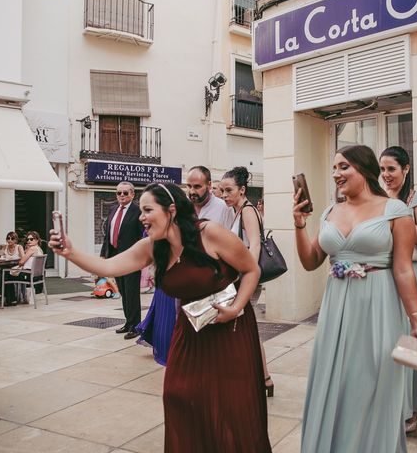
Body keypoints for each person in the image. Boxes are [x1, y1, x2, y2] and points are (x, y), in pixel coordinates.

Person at [48, 183, 271, 452]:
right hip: (190, 332)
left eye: (147, 210)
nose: (141, 217)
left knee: (229, 408)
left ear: (171, 210)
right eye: (141, 210)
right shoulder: (154, 247)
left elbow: (251, 270)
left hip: (230, 332)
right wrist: (70, 252)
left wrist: (236, 308)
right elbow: (109, 266)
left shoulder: (210, 233)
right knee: (178, 395)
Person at [295, 144, 417, 453]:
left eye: (343, 167)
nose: (336, 174)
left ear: (364, 170)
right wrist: (300, 225)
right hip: (336, 309)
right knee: (336, 383)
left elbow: (403, 270)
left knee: (373, 383)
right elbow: (310, 260)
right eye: (334, 168)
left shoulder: (395, 210)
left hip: (378, 305)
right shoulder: (330, 211)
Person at [135, 166, 235, 365]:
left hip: (208, 278)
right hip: (178, 273)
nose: (192, 191)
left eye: (197, 186)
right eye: (189, 186)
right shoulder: (182, 206)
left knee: (209, 340)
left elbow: (231, 245)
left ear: (209, 185)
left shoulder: (223, 209)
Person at [379, 145, 417, 433]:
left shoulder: (416, 197)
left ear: (406, 169)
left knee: (409, 339)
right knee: (387, 340)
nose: (386, 175)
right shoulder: (378, 198)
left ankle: (413, 408)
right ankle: (389, 404)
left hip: (408, 272)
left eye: (391, 169)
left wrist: (399, 213)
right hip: (383, 273)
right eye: (382, 169)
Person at [221, 166, 274, 397]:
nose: (224, 195)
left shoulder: (247, 211)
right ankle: (263, 378)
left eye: (228, 190)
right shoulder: (238, 210)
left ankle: (262, 378)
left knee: (245, 330)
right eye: (222, 191)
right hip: (240, 278)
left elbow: (254, 245)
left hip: (245, 279)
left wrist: (246, 277)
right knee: (246, 329)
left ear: (242, 190)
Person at [101, 181, 144, 340]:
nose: (122, 196)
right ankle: (128, 322)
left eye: (125, 193)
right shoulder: (113, 209)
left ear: (132, 194)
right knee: (123, 292)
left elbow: (142, 236)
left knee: (132, 293)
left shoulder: (138, 210)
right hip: (115, 257)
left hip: (132, 259)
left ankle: (135, 326)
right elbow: (108, 234)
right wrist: (103, 254)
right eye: (119, 193)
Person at [0, 231, 44, 306]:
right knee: (8, 274)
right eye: (28, 239)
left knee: (5, 274)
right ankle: (11, 298)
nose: (29, 241)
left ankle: (10, 299)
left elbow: (21, 262)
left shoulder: (32, 249)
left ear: (37, 240)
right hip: (37, 276)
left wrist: (20, 264)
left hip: (28, 275)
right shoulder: (39, 249)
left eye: (31, 239)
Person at [0, 231, 24, 301]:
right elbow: (0, 257)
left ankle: (5, 295)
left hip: (16, 268)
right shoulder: (5, 247)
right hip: (6, 267)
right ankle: (9, 297)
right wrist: (1, 250)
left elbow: (23, 258)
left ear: (16, 240)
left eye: (12, 238)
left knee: (2, 277)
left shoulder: (19, 247)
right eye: (8, 238)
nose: (9, 240)